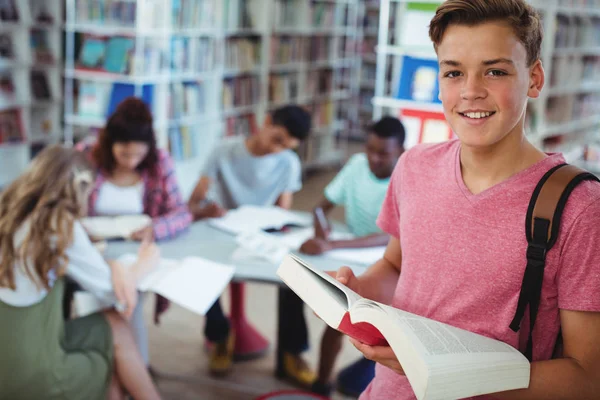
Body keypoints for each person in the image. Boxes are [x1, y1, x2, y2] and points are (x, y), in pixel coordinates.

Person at [328, 1, 600, 399]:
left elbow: (585, 379)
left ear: (535, 78)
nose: (471, 91)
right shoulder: (413, 166)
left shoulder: (580, 206)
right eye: (454, 72)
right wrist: (358, 296)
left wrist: (439, 374)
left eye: (495, 71)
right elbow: (395, 265)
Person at [0, 145, 162, 400]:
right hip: (33, 374)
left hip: (8, 360)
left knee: (111, 330)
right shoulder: (60, 226)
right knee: (110, 350)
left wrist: (112, 265)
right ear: (79, 189)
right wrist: (143, 264)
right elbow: (114, 294)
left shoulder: (10, 215)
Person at [188, 105, 315, 386]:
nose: (278, 149)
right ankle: (220, 336)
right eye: (277, 139)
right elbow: (193, 204)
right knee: (198, 268)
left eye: (287, 146)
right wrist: (207, 211)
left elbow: (282, 214)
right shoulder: (224, 151)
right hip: (221, 230)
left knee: (297, 275)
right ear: (265, 121)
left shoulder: (288, 162)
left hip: (260, 236)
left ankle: (292, 353)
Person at [76, 97, 192, 365]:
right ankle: (106, 372)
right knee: (91, 311)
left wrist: (156, 227)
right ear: (109, 144)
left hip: (135, 254)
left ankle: (135, 368)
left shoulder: (159, 162)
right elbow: (63, 204)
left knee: (128, 306)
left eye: (138, 155)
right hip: (91, 249)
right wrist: (78, 226)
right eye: (124, 154)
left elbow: (182, 213)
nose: (131, 161)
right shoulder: (87, 156)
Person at [301, 117, 405, 397]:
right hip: (353, 256)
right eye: (369, 149)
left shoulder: (407, 177)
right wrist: (320, 222)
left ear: (400, 151)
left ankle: (359, 372)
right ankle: (320, 384)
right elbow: (321, 206)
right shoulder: (357, 165)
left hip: (390, 264)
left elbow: (390, 236)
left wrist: (333, 245)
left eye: (383, 153)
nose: (373, 158)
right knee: (336, 313)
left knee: (379, 337)